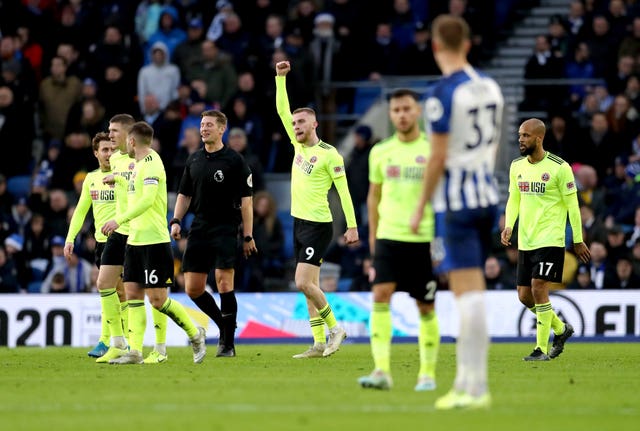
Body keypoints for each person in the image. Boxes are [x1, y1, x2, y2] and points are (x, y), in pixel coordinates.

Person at [410, 14, 502, 410]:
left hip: (457, 204)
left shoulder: (441, 93)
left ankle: (473, 385)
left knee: (467, 296)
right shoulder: (491, 86)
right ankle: (471, 382)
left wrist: (421, 206)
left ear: (434, 46)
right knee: (475, 290)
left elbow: (438, 157)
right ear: (467, 44)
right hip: (487, 195)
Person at [100, 121, 206, 365]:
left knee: (157, 300)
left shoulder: (152, 163)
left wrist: (119, 220)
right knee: (133, 295)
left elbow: (147, 200)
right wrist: (119, 180)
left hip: (154, 241)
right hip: (135, 241)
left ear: (133, 141)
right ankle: (135, 351)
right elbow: (136, 190)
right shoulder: (137, 165)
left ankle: (195, 333)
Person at [357, 88, 440, 392]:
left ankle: (427, 374)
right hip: (389, 238)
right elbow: (373, 198)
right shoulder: (380, 151)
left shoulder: (432, 149)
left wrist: (440, 241)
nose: (401, 115)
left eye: (407, 109)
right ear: (390, 114)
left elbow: (443, 198)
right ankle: (381, 371)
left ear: (417, 111)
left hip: (422, 240)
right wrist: (373, 241)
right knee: (380, 296)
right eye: (396, 110)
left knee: (425, 307)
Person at [275, 60, 357, 358]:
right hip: (299, 223)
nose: (295, 126)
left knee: (302, 282)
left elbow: (344, 190)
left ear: (314, 124)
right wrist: (280, 79)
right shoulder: (298, 148)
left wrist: (352, 225)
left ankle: (336, 329)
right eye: (294, 124)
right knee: (309, 286)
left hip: (319, 225)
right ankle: (319, 342)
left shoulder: (329, 154)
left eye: (301, 123)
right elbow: (282, 111)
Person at [501, 118, 591, 363]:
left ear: (538, 138)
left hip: (551, 238)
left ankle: (541, 349)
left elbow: (573, 205)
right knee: (524, 295)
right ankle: (561, 329)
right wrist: (509, 225)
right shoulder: (516, 166)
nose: (520, 139)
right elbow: (514, 200)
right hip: (526, 239)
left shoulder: (559, 167)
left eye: (526, 135)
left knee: (538, 286)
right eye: (520, 135)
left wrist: (578, 239)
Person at [170, 110, 257, 357]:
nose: (204, 129)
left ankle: (227, 343)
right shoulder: (194, 160)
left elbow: (247, 201)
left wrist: (248, 235)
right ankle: (224, 325)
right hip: (199, 226)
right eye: (202, 125)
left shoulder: (234, 160)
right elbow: (184, 194)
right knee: (193, 288)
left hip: (225, 227)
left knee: (223, 282)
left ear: (222, 129)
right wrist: (176, 220)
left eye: (209, 125)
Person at [92, 114, 167, 364]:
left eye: (114, 131)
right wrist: (117, 178)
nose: (110, 135)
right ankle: (118, 343)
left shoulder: (145, 159)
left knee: (153, 295)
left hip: (140, 230)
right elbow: (128, 185)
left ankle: (160, 346)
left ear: (128, 133)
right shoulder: (115, 159)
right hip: (121, 229)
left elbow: (144, 193)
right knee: (104, 283)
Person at [63, 132, 119, 355]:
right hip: (102, 243)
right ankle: (121, 340)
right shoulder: (91, 179)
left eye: (112, 149)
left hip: (124, 240)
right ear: (96, 153)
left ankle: (108, 340)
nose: (109, 153)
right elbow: (80, 211)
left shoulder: (125, 175)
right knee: (112, 293)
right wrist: (70, 238)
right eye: (104, 150)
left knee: (111, 289)